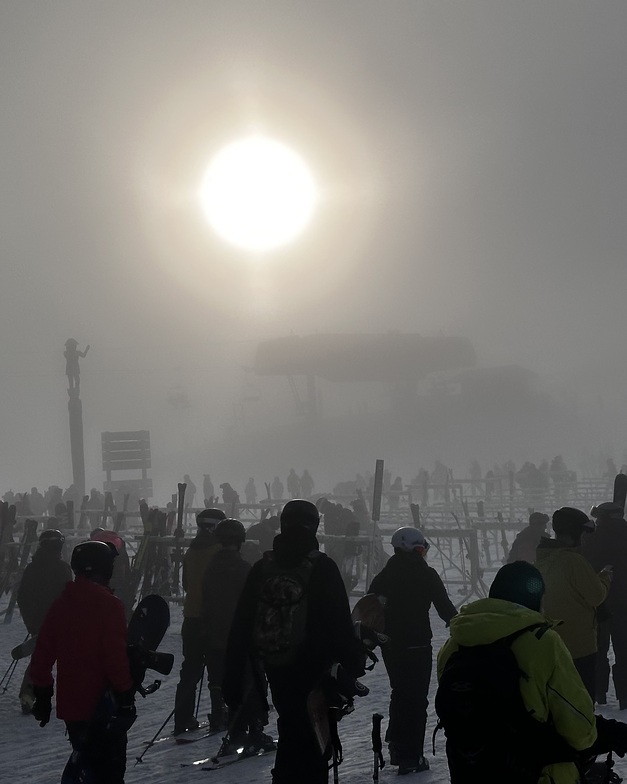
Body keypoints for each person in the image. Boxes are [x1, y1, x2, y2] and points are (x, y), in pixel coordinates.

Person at [224, 499, 363, 784]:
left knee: (289, 732)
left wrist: (233, 678)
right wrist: (353, 664)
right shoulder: (323, 567)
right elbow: (340, 623)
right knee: (315, 743)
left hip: (277, 668)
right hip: (316, 674)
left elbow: (241, 624)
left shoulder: (263, 568)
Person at [437, 561, 598, 784]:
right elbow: (579, 730)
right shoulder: (543, 642)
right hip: (534, 773)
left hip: (470, 771)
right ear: (535, 600)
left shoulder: (454, 644)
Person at [29, 541, 135, 784]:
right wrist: (125, 692)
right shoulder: (110, 606)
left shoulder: (62, 604)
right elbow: (114, 657)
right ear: (105, 569)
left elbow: (43, 653)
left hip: (72, 706)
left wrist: (43, 692)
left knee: (85, 764)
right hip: (103, 705)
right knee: (109, 771)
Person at [368, 526, 456, 774]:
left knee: (401, 692)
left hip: (391, 645)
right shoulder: (426, 575)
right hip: (417, 644)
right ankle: (411, 755)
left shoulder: (383, 577)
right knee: (416, 699)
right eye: (419, 549)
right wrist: (464, 629)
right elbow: (446, 609)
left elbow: (370, 610)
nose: (422, 554)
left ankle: (398, 747)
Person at [201, 518, 272, 749]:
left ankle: (235, 730)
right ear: (240, 542)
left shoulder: (211, 568)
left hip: (216, 636)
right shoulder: (244, 569)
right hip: (242, 636)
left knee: (229, 684)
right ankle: (255, 730)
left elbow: (207, 602)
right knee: (253, 683)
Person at [535, 507, 611, 699]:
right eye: (584, 533)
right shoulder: (573, 561)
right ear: (576, 531)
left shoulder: (542, 560)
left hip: (551, 645)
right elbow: (595, 596)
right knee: (582, 704)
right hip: (579, 647)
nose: (585, 538)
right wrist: (605, 577)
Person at [174, 507, 225, 735]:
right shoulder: (220, 552)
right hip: (213, 618)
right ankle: (218, 714)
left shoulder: (191, 551)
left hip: (191, 617)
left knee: (190, 670)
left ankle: (183, 716)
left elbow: (186, 584)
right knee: (217, 669)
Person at [16, 529, 74, 713]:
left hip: (38, 622)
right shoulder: (63, 568)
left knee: (40, 659)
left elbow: (22, 596)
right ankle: (72, 695)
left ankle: (28, 695)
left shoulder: (32, 568)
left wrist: (31, 622)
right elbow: (69, 596)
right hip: (58, 622)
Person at [582, 501, 627, 707]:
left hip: (599, 602)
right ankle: (625, 696)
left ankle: (598, 693)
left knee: (599, 650)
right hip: (624, 604)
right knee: (624, 651)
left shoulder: (593, 539)